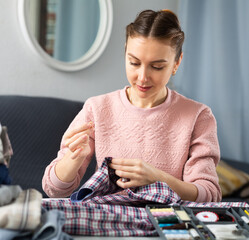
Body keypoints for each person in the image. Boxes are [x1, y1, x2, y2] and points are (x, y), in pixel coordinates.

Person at [42, 9, 221, 202]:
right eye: (134, 63)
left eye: (157, 66)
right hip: (109, 221)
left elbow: (209, 195)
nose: (143, 77)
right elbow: (53, 190)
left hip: (167, 226)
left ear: (177, 63)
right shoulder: (97, 108)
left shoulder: (198, 116)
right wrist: (73, 158)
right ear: (125, 53)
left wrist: (157, 178)